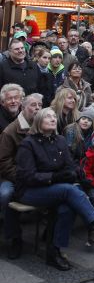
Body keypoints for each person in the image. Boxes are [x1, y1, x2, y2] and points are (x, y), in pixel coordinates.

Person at [15, 108, 94, 269]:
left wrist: (76, 173)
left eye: (54, 116)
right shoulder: (28, 144)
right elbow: (27, 176)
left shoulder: (60, 140)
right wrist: (55, 177)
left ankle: (54, 252)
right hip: (30, 191)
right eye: (48, 116)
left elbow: (70, 165)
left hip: (56, 188)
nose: (53, 119)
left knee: (67, 207)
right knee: (68, 191)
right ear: (38, 121)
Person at [0, 93, 43, 259]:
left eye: (40, 105)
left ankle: (52, 236)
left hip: (37, 174)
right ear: (23, 108)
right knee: (6, 195)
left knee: (63, 189)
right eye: (33, 105)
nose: (37, 108)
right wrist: (21, 178)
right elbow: (4, 162)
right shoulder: (10, 131)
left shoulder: (43, 125)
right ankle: (14, 238)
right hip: (13, 176)